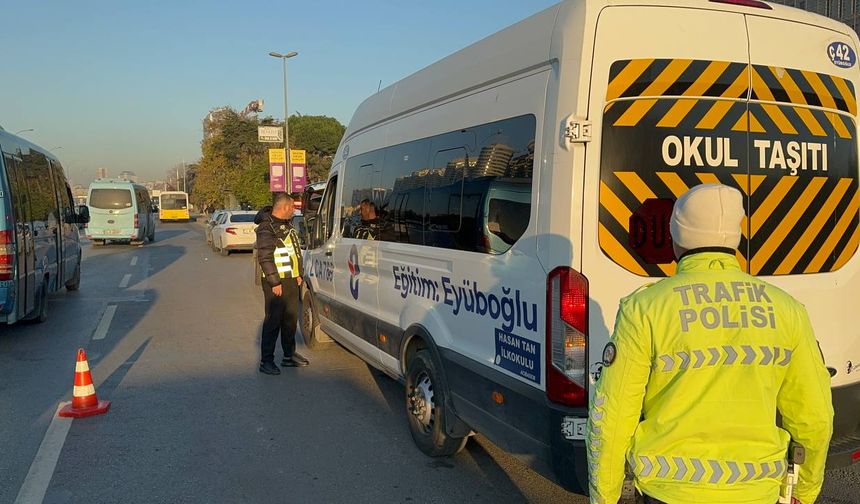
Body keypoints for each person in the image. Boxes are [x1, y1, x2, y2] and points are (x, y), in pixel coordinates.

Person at [587, 184, 833, 504]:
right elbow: (816, 418)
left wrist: (603, 498)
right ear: (736, 238)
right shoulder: (787, 310)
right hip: (757, 492)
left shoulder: (645, 309)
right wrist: (804, 491)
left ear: (676, 239)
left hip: (667, 492)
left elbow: (612, 420)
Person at [254, 193, 309, 375]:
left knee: (290, 319)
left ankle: (288, 355)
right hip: (275, 282)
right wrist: (274, 282)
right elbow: (264, 256)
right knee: (273, 321)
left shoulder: (286, 224)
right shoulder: (266, 227)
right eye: (292, 207)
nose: (294, 210)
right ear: (285, 207)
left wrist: (298, 274)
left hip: (291, 280)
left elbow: (293, 251)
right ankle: (266, 361)